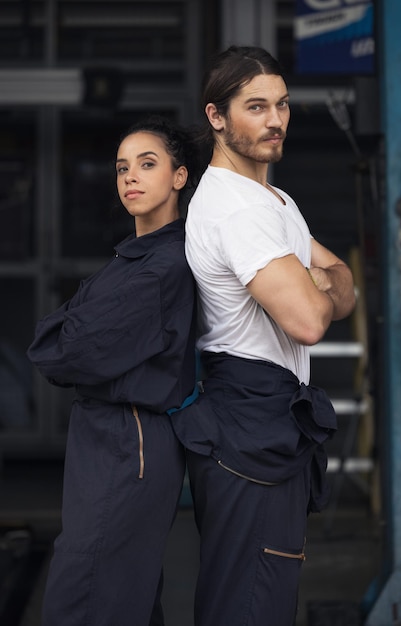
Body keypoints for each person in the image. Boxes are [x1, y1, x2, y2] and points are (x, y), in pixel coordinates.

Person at [171, 46, 356, 626]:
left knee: (265, 596)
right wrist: (314, 281)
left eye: (282, 104)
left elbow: (347, 285)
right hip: (250, 420)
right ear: (217, 117)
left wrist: (315, 280)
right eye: (256, 106)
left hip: (271, 419)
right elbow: (309, 320)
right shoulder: (236, 210)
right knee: (248, 601)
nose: (275, 119)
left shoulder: (275, 200)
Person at [27, 116, 200, 626]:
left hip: (132, 439)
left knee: (89, 592)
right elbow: (56, 340)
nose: (130, 177)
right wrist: (71, 334)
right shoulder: (130, 259)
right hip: (107, 435)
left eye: (147, 164)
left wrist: (71, 331)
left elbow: (63, 350)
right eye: (123, 167)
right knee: (122, 591)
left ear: (179, 177)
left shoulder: (165, 265)